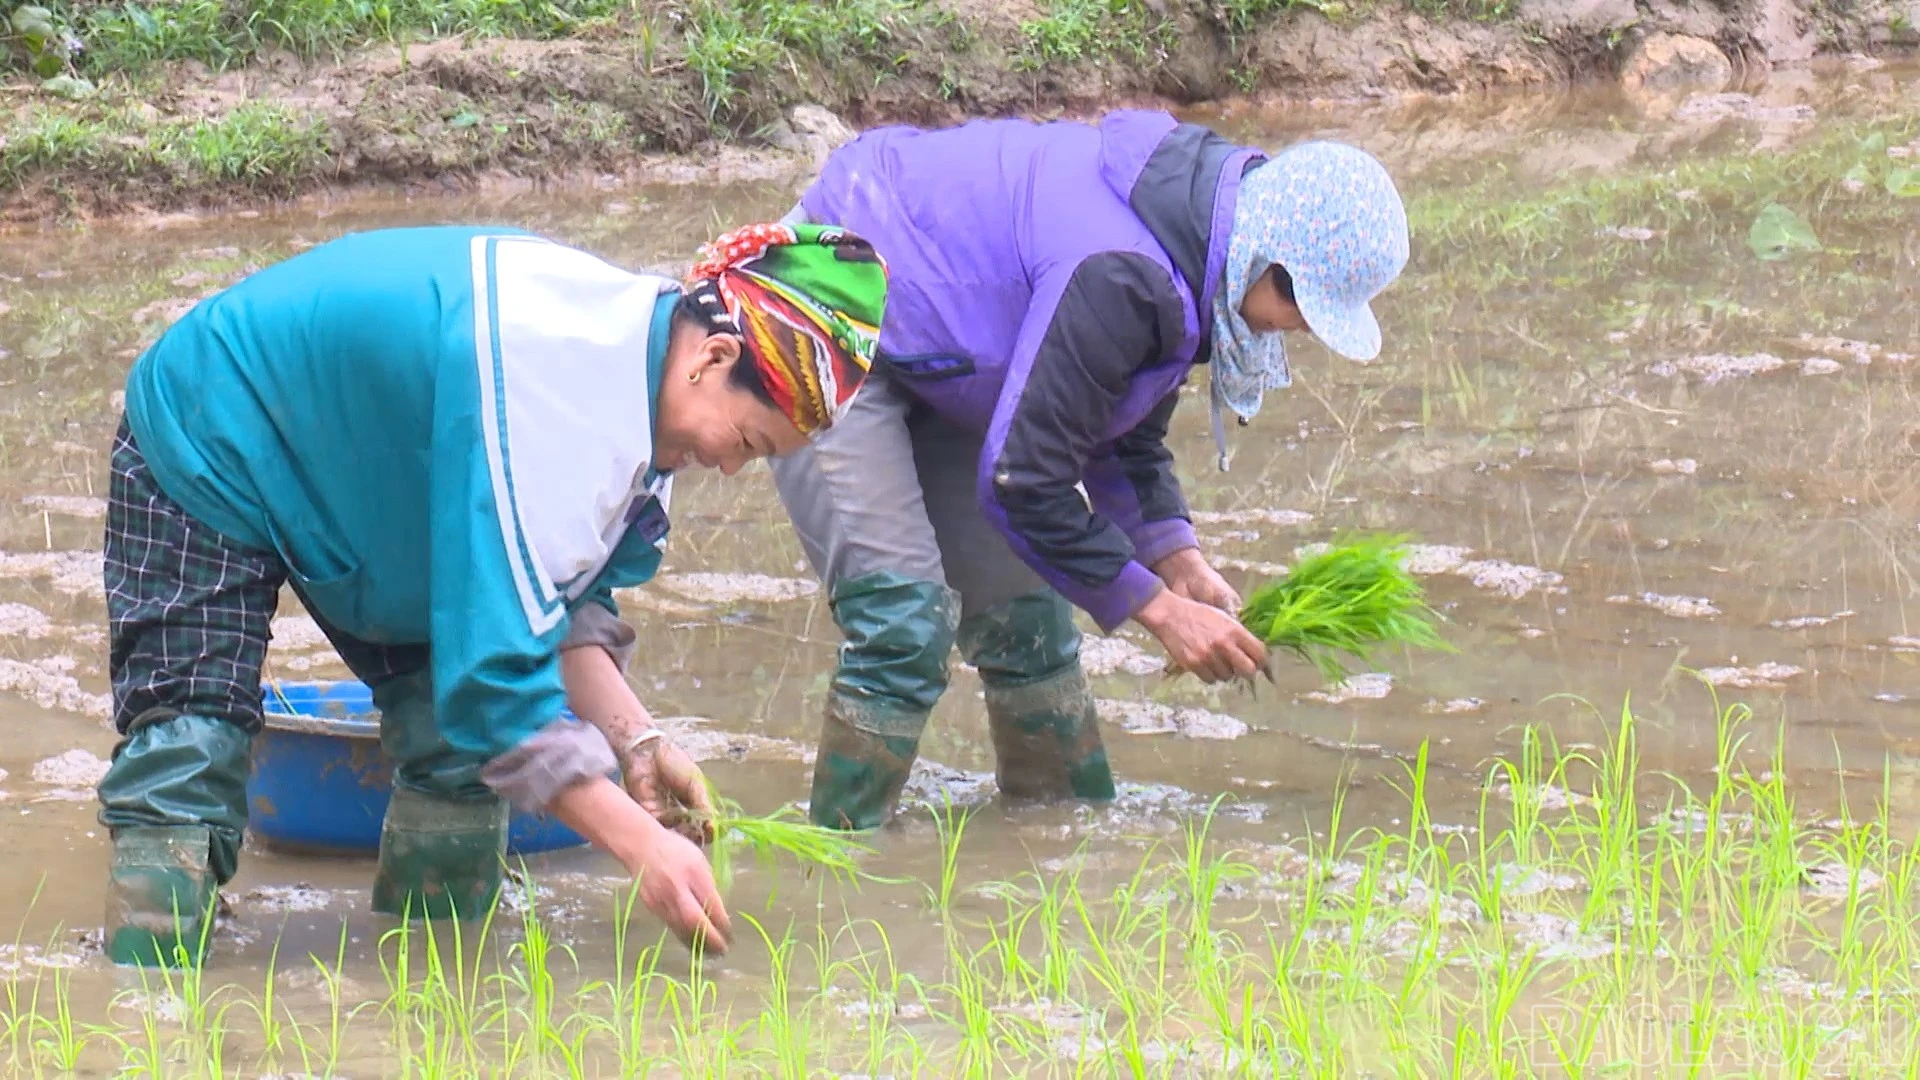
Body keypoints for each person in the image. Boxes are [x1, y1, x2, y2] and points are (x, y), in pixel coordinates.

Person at [96, 220, 890, 967]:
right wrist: (641, 845)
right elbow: (498, 692)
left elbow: (552, 613)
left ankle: (434, 991)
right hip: (219, 419)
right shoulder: (560, 379)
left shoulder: (651, 425)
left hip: (385, 475)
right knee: (189, 747)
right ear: (714, 358)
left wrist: (636, 741)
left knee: (454, 746)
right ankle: (143, 1015)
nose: (729, 467)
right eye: (747, 442)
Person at [769, 110, 1410, 830]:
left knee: (1030, 622)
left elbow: (1119, 431)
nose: (1296, 330)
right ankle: (838, 868)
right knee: (904, 623)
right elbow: (1025, 481)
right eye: (1301, 309)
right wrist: (1160, 612)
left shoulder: (1197, 249)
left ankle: (1059, 835)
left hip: (944, 346)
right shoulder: (1123, 269)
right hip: (829, 302)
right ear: (1270, 261)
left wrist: (1176, 556)